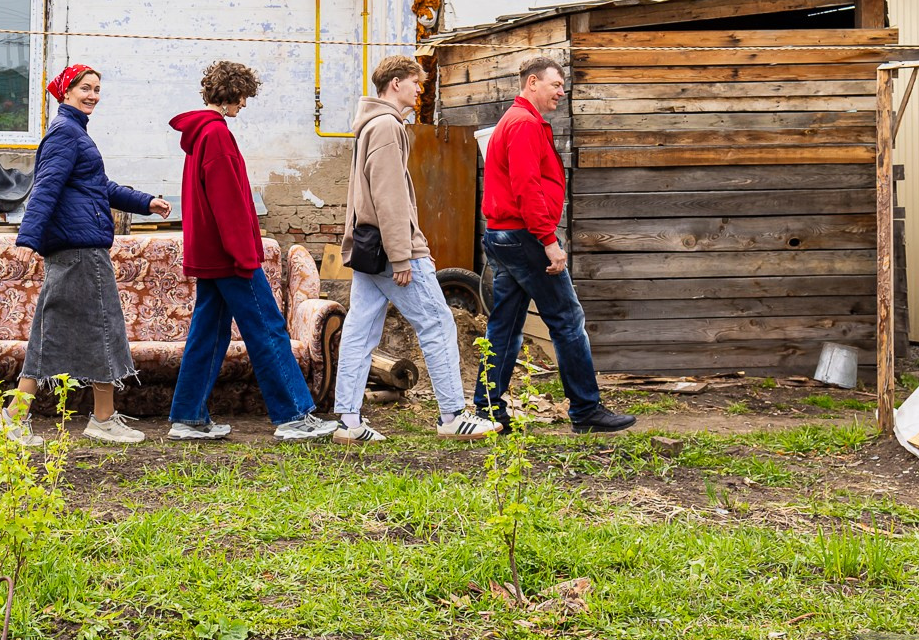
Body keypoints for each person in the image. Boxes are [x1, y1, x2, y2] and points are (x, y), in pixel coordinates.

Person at [0, 64, 171, 446]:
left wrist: (146, 202)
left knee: (77, 331)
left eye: (96, 89)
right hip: (79, 250)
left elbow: (99, 186)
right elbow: (45, 188)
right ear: (65, 93)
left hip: (82, 247)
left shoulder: (75, 134)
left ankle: (73, 416)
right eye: (85, 89)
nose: (92, 95)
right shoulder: (65, 134)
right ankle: (35, 416)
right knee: (93, 330)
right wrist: (27, 241)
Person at [166, 61, 336, 442]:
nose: (244, 105)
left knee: (208, 334)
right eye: (243, 97)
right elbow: (227, 204)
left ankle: (188, 417)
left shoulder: (201, 135)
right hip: (230, 258)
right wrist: (245, 257)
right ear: (232, 94)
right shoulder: (216, 136)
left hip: (212, 254)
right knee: (268, 328)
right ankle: (293, 415)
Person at [334, 55, 500, 444]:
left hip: (368, 249)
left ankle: (348, 420)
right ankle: (453, 416)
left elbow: (364, 197)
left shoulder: (369, 126)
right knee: (438, 324)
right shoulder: (388, 126)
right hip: (391, 250)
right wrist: (402, 254)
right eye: (415, 83)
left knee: (360, 331)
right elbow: (388, 196)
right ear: (395, 84)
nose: (419, 91)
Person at [477, 56, 636, 433]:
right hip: (525, 237)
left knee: (506, 323)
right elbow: (527, 187)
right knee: (567, 320)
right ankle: (585, 409)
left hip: (504, 234)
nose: (561, 93)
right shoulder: (524, 124)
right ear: (532, 83)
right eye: (555, 85)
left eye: (562, 86)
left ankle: (487, 410)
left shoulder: (518, 121)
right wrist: (549, 240)